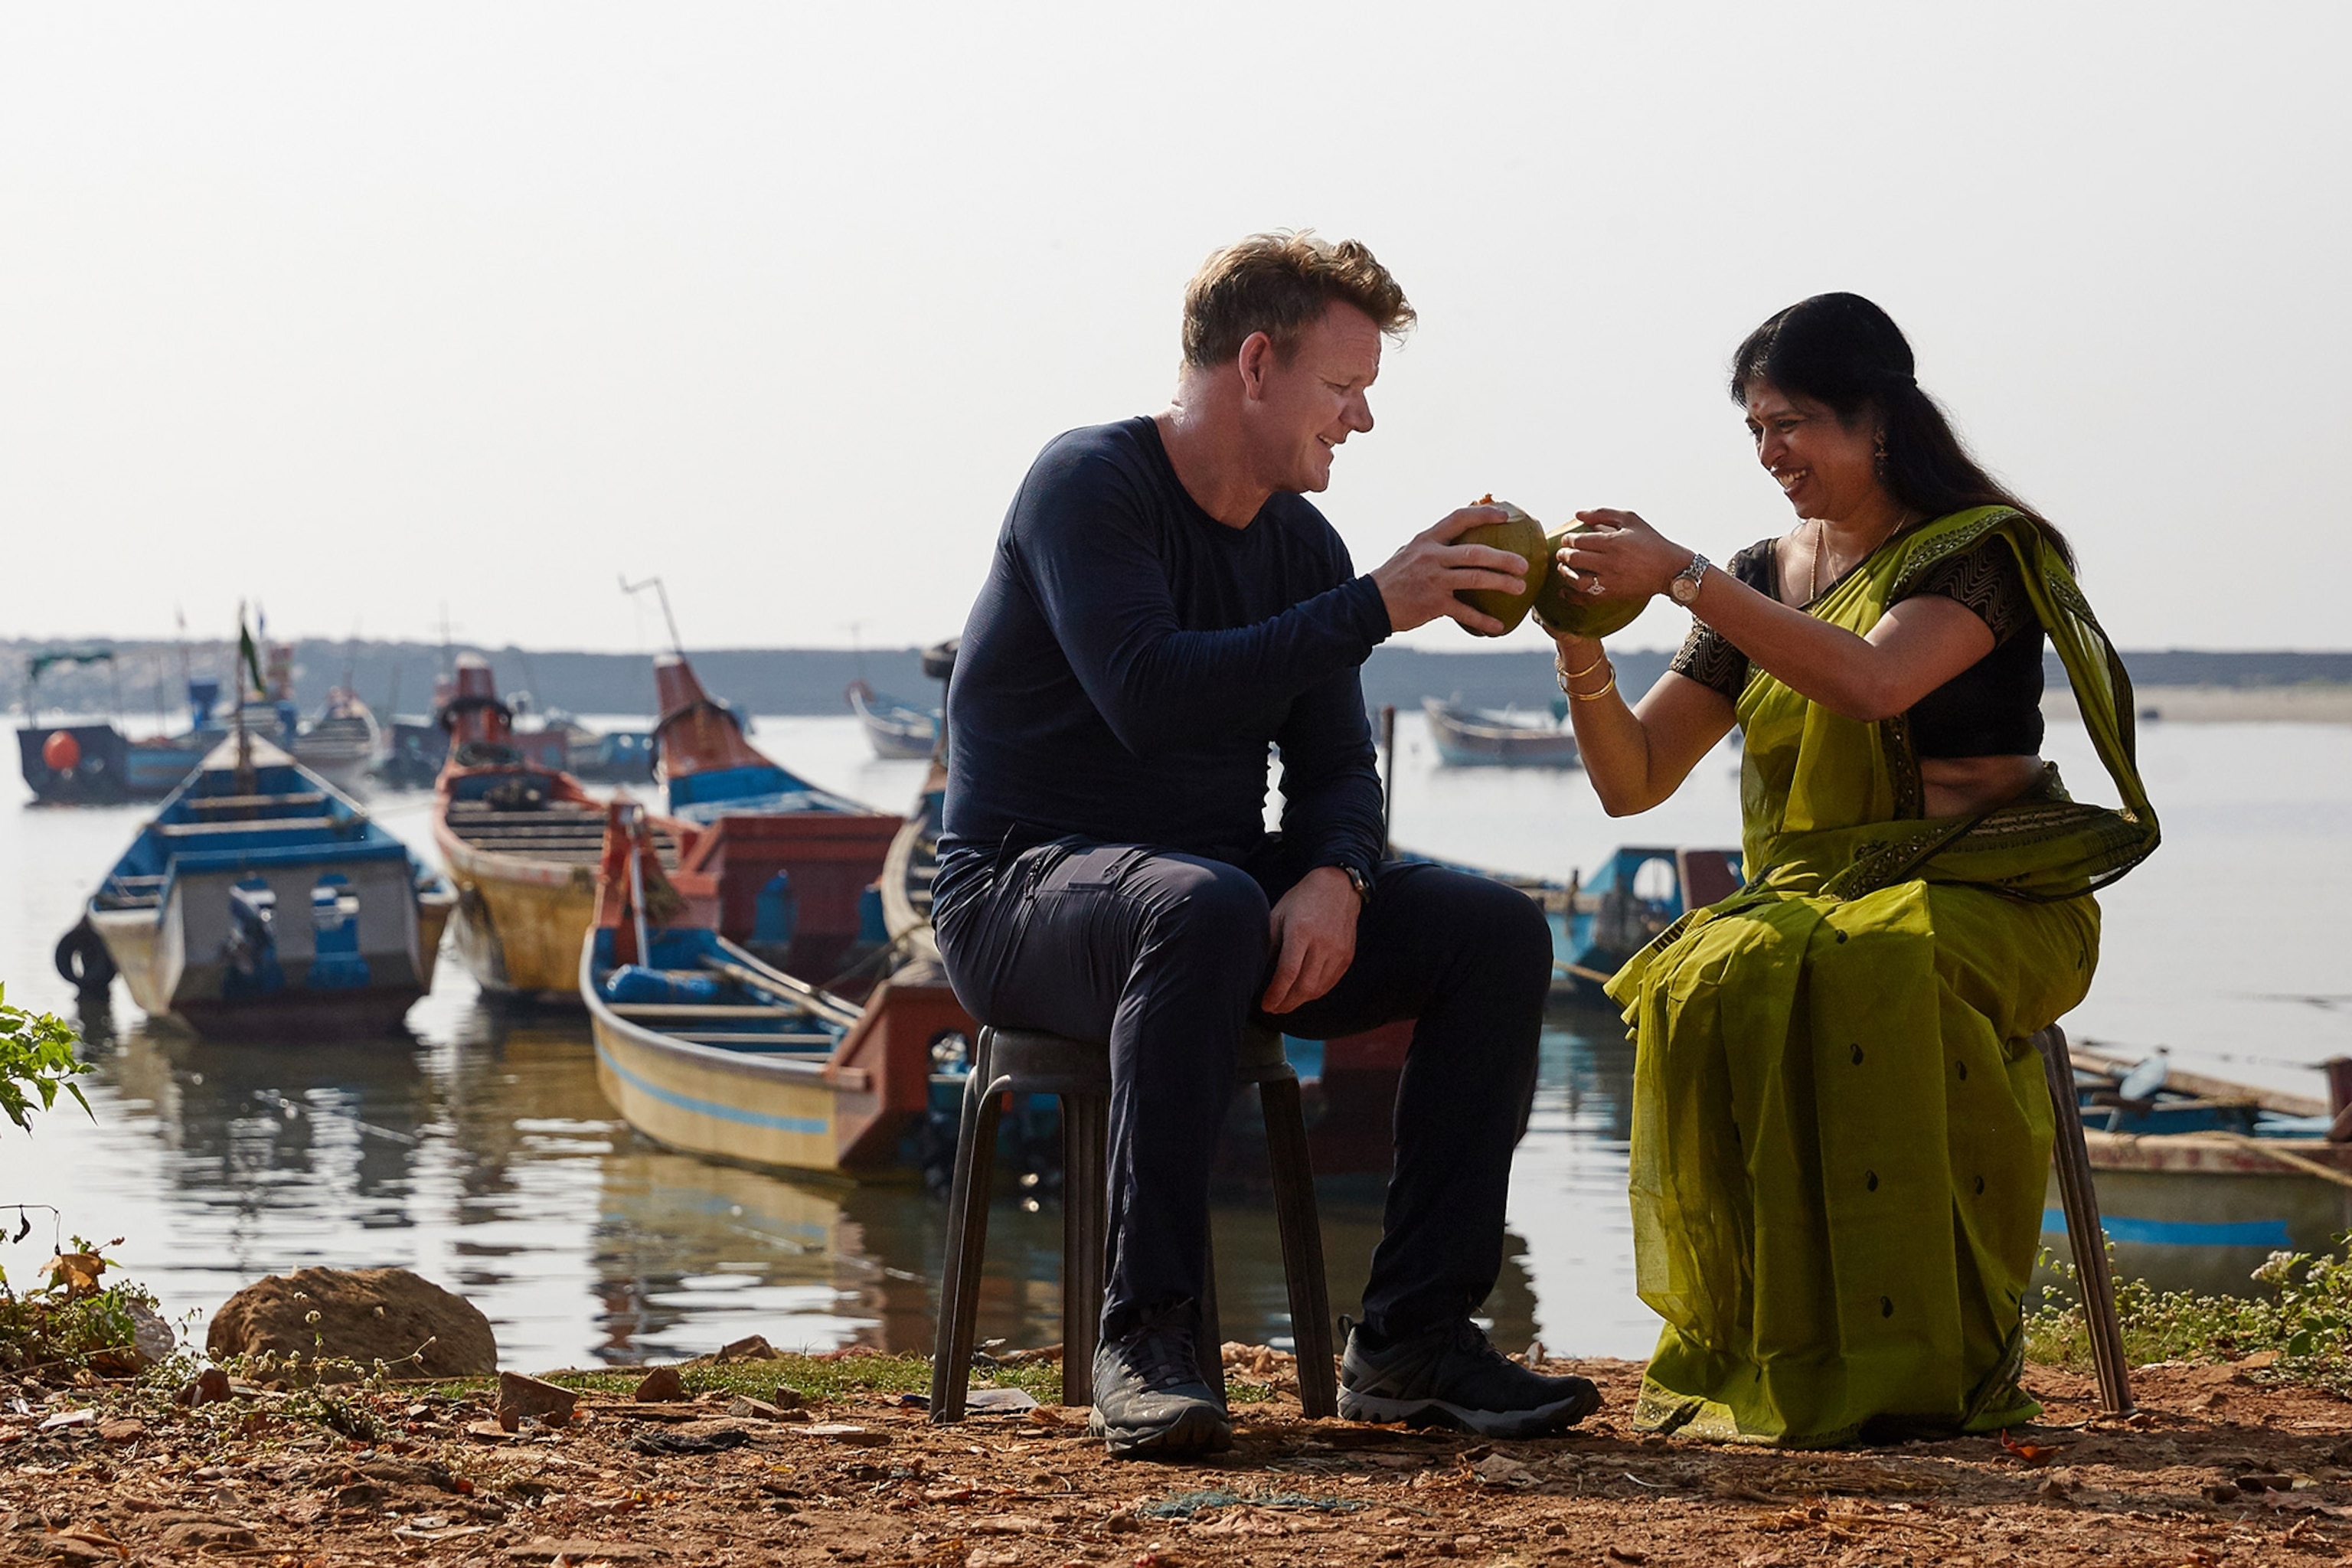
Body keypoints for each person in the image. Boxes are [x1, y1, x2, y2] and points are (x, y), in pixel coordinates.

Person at [934, 231, 1603, 1458]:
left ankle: (1411, 1337)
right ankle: (1149, 1336)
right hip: (1022, 891)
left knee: (1496, 933)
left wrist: (1338, 877)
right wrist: (1377, 607)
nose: (1358, 422)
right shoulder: (1088, 483)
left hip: (1212, 900)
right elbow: (1149, 690)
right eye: (1343, 389)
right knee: (1202, 907)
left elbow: (1340, 766)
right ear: (1257, 363)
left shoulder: (1299, 541)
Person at [1540, 292, 2159, 1446]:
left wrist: (1680, 576)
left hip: (1993, 895)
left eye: (1797, 424)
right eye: (1757, 430)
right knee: (1705, 976)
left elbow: (1873, 684)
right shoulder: (1756, 576)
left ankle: (1934, 1356)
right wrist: (1575, 633)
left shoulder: (1979, 551)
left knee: (1870, 963)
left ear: (1879, 418)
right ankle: (1787, 1350)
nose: (1775, 454)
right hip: (1819, 901)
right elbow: (1636, 780)